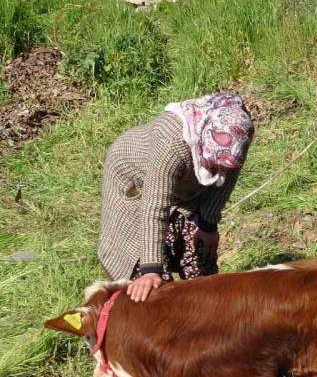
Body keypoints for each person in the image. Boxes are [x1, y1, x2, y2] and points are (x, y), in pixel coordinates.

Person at [97, 91, 252, 301]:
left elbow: (227, 177)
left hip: (185, 185)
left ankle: (201, 309)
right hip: (134, 183)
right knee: (151, 288)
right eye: (215, 164)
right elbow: (154, 206)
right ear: (204, 141)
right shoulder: (171, 143)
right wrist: (150, 269)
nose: (219, 170)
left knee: (202, 261)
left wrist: (208, 223)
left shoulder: (240, 131)